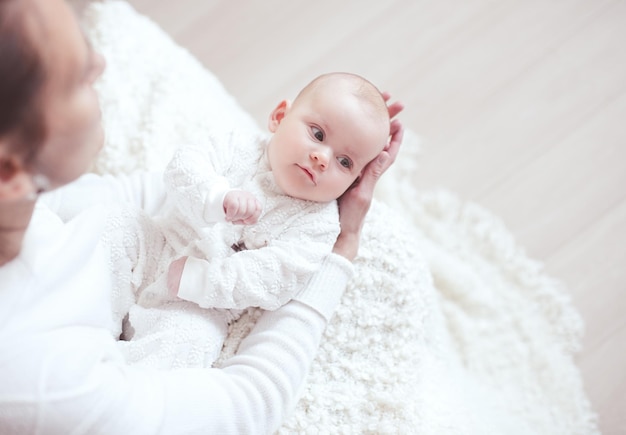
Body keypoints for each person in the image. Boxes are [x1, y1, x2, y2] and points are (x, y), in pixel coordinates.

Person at [0, 0, 403, 433]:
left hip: (204, 295)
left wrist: (207, 256)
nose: (100, 62)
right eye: (76, 76)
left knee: (186, 335)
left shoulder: (38, 205)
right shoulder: (53, 387)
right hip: (162, 262)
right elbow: (252, 404)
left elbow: (272, 269)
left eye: (345, 162)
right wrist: (344, 248)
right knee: (122, 234)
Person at [62, 71, 392, 369]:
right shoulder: (238, 147)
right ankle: (81, 327)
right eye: (318, 134)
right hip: (158, 242)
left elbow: (276, 277)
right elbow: (184, 166)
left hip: (200, 306)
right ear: (279, 117)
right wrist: (216, 197)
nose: (322, 158)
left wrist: (204, 280)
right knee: (117, 224)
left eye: (345, 161)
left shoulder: (318, 225)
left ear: (355, 181)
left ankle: (110, 378)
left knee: (192, 344)